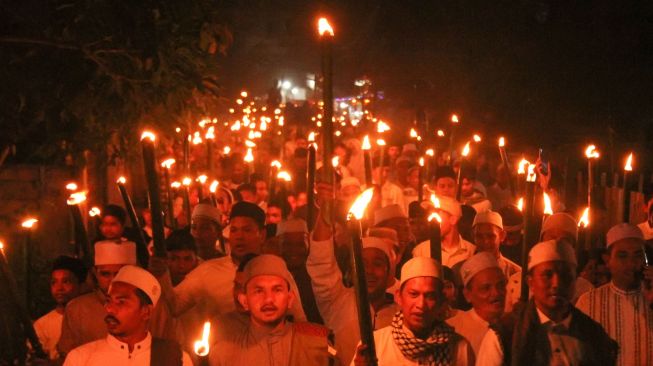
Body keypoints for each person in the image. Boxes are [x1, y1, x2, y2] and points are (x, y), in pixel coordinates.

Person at [151, 201, 307, 324]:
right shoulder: (207, 271)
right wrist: (161, 274)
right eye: (234, 230)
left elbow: (298, 320)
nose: (239, 236)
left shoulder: (277, 271)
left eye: (246, 230)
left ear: (262, 234)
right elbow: (174, 306)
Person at [476, 240, 618, 365]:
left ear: (575, 280)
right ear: (530, 282)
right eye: (547, 275)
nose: (556, 283)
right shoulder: (504, 336)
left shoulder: (593, 335)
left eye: (565, 275)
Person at [310, 185, 398, 365]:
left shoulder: (403, 312)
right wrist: (325, 212)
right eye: (362, 264)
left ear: (389, 272)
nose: (369, 271)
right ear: (351, 270)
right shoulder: (336, 302)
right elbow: (321, 262)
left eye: (378, 264)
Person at [210, 255, 335, 365]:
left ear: (290, 298)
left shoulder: (320, 343)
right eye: (259, 291)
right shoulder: (224, 355)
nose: (269, 299)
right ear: (244, 301)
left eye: (277, 290)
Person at [352, 256, 474, 365]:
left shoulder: (459, 348)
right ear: (399, 297)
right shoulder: (376, 344)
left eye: (430, 296)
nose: (421, 305)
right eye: (414, 294)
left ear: (441, 301)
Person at [63, 265, 193, 365]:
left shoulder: (175, 358)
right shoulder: (80, 358)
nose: (109, 308)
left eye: (121, 302)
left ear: (145, 311)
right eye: (108, 301)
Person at [576, 223, 653, 366]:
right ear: (607, 260)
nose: (631, 263)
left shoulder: (651, 297)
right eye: (622, 256)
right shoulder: (588, 303)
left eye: (637, 255)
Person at [58, 241, 138, 356]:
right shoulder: (77, 309)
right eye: (105, 274)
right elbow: (67, 354)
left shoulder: (149, 307)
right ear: (95, 273)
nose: (113, 280)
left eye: (119, 273)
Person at [447, 252, 507, 355]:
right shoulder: (452, 330)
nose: (496, 293)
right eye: (486, 288)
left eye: (500, 285)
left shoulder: (516, 325)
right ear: (467, 295)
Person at [33, 256, 87, 360]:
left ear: (81, 285)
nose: (59, 288)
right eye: (54, 282)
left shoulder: (91, 318)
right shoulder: (42, 325)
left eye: (66, 282)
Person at [277, 218, 323, 324]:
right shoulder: (271, 276)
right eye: (288, 244)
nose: (294, 250)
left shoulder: (316, 277)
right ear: (278, 244)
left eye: (300, 245)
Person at [413, 196, 476, 267]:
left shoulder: (471, 252)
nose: (432, 218)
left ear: (453, 220)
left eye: (437, 213)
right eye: (430, 213)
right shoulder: (421, 251)